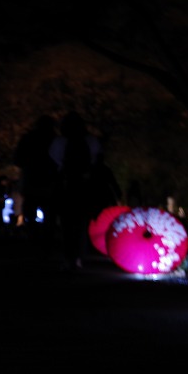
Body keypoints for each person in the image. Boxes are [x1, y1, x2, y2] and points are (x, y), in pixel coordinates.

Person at [50, 111, 117, 268]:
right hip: (85, 186)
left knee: (67, 224)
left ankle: (69, 256)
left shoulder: (59, 142)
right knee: (81, 223)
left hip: (67, 185)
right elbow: (97, 161)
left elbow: (54, 162)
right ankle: (79, 256)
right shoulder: (91, 141)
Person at [12, 115, 59, 238]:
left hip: (32, 179)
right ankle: (46, 236)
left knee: (31, 210)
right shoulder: (55, 140)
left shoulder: (28, 139)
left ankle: (34, 234)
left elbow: (17, 159)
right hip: (50, 180)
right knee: (49, 211)